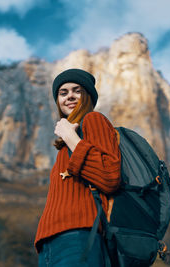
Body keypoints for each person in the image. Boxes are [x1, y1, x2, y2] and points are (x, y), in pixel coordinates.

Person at [34, 68, 121, 266]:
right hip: (49, 243)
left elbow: (110, 176)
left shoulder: (93, 120)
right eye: (63, 93)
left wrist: (71, 137)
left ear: (88, 95)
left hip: (80, 236)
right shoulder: (65, 145)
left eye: (77, 90)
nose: (69, 96)